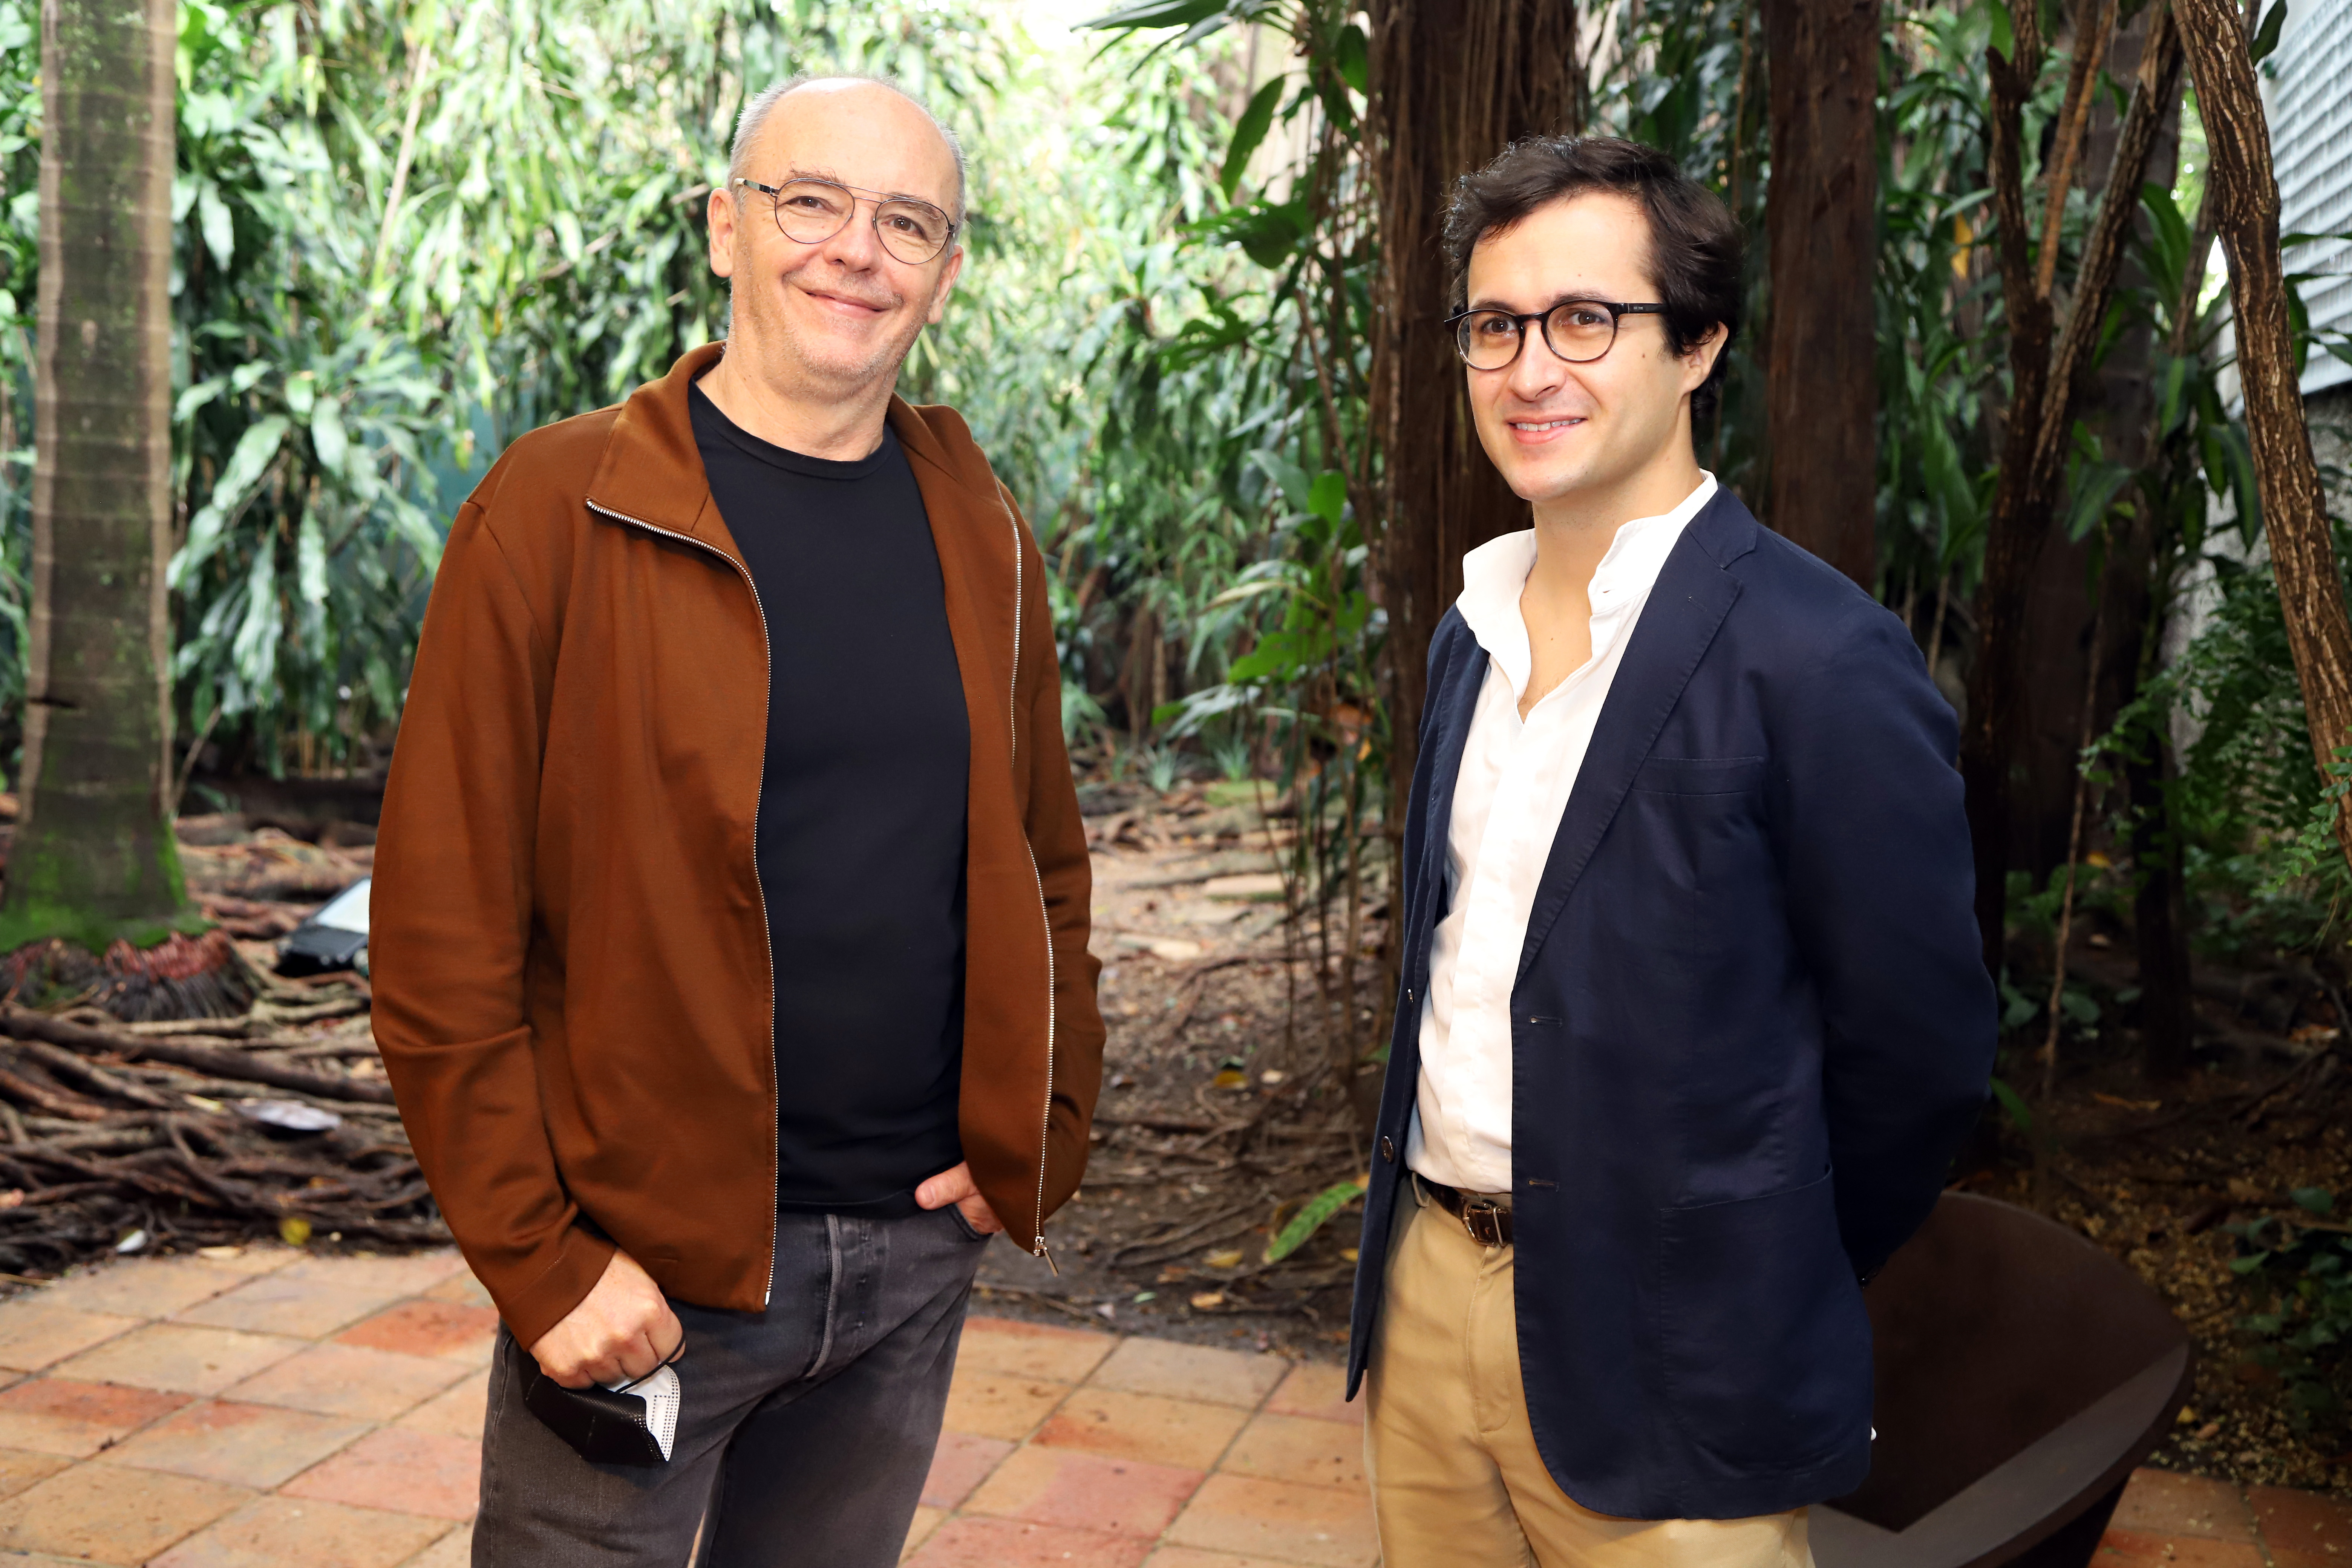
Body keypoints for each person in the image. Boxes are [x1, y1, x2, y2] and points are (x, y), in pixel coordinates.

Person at [371, 75, 1102, 1566]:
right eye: (809, 201)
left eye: (907, 222)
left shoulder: (979, 529)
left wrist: (1045, 1126)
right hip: (644, 1274)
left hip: (910, 1255)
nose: (857, 250)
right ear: (726, 226)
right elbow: (441, 930)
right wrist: (541, 1258)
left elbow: (1043, 863)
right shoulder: (558, 507)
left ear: (947, 270)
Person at [1344, 134, 1996, 1567]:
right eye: (1495, 326)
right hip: (1427, 1294)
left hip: (1678, 1343)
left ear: (1698, 346)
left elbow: (1923, 1052)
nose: (1531, 369)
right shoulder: (1471, 630)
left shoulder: (1821, 659)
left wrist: (1758, 1261)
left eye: (1586, 319)